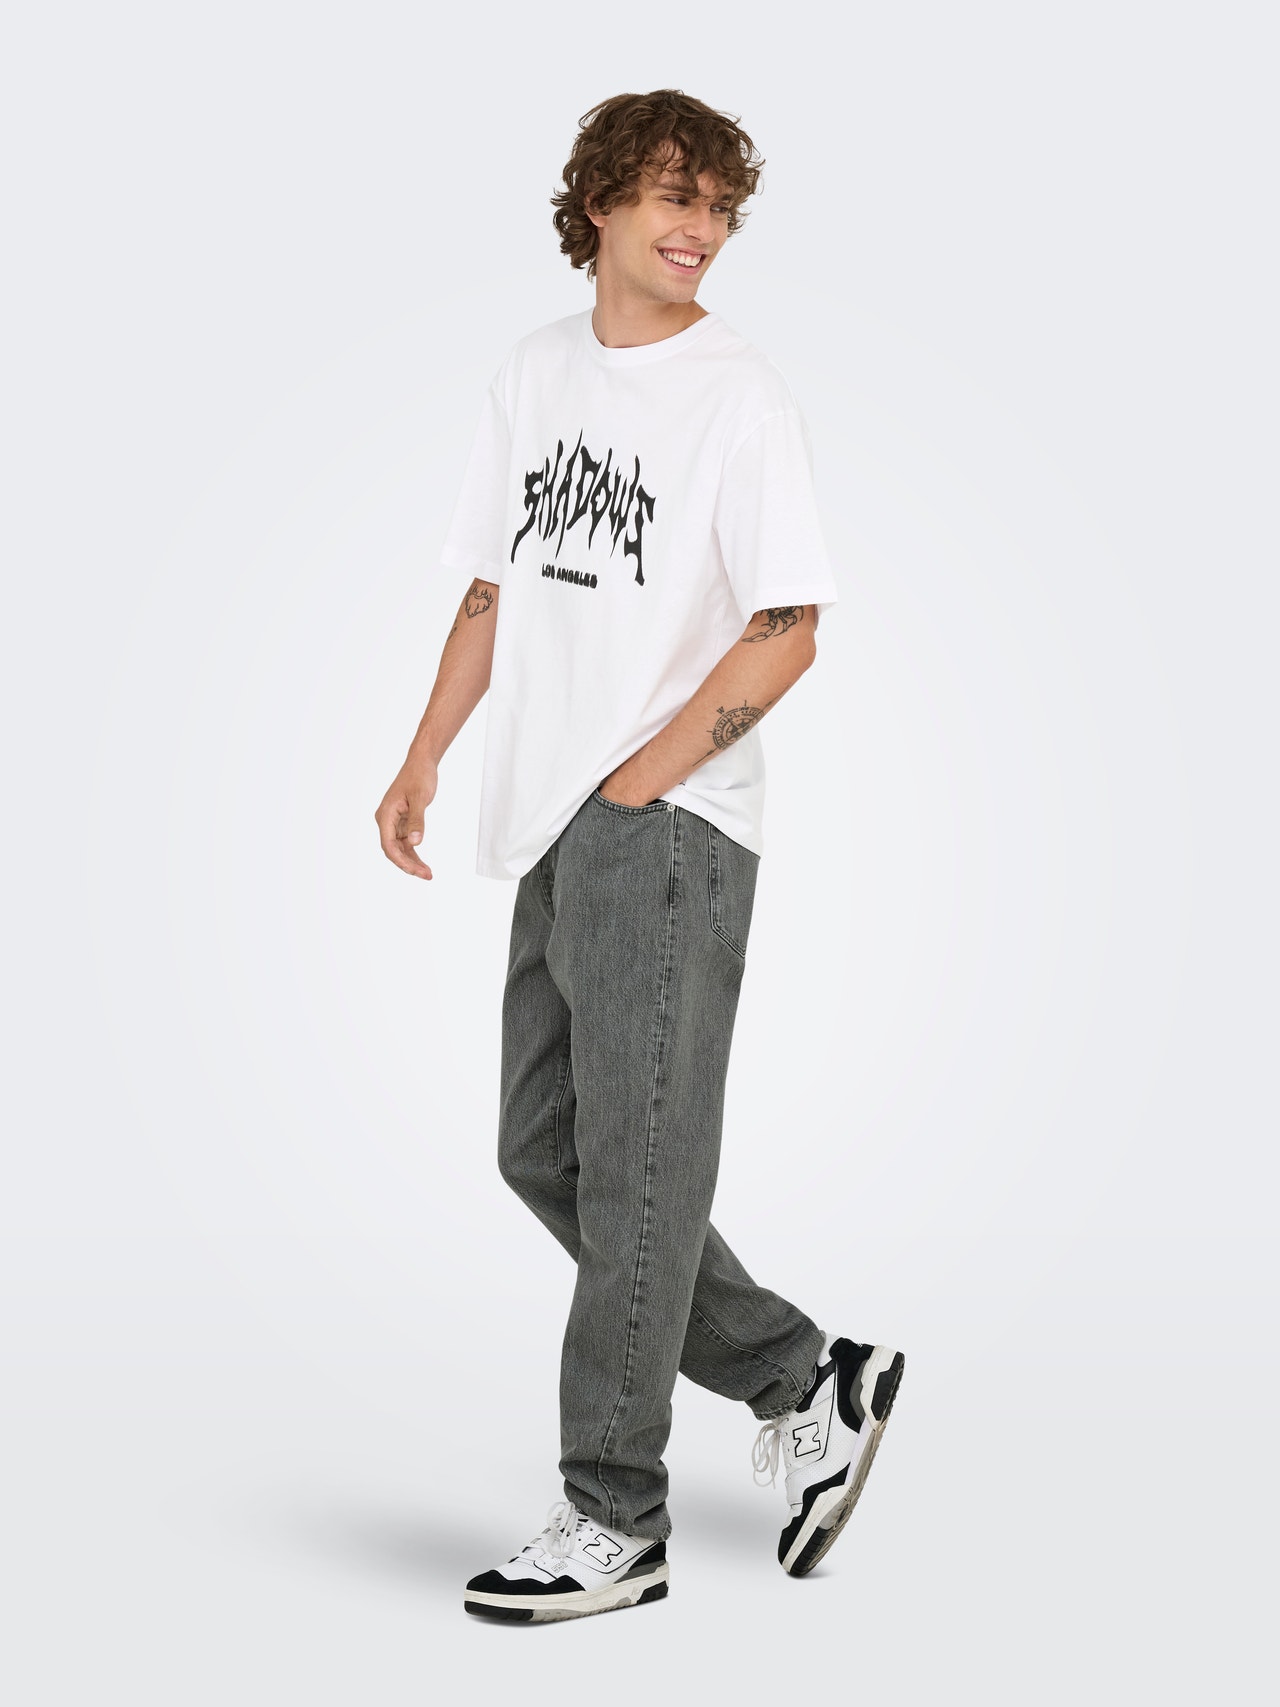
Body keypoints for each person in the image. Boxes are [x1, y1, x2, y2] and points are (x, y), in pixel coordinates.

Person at [374, 88, 905, 1625]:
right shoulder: (535, 372)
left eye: (721, 207)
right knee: (544, 1151)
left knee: (642, 1173)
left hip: (664, 832)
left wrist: (641, 782)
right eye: (675, 196)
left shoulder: (742, 397)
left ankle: (615, 1517)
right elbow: (495, 589)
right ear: (599, 202)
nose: (701, 229)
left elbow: (790, 626)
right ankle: (804, 1374)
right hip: (550, 823)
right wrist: (424, 755)